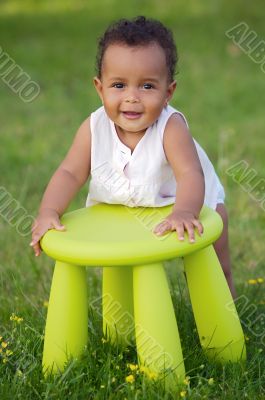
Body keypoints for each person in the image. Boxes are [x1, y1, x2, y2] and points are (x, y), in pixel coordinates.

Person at [30, 16, 236, 297]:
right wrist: (48, 211)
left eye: (147, 86)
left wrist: (185, 212)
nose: (132, 97)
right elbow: (70, 172)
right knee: (123, 264)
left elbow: (190, 174)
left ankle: (226, 312)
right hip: (127, 209)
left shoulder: (170, 128)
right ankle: (121, 329)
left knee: (214, 261)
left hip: (189, 199)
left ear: (168, 92)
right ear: (99, 88)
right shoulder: (94, 127)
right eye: (118, 85)